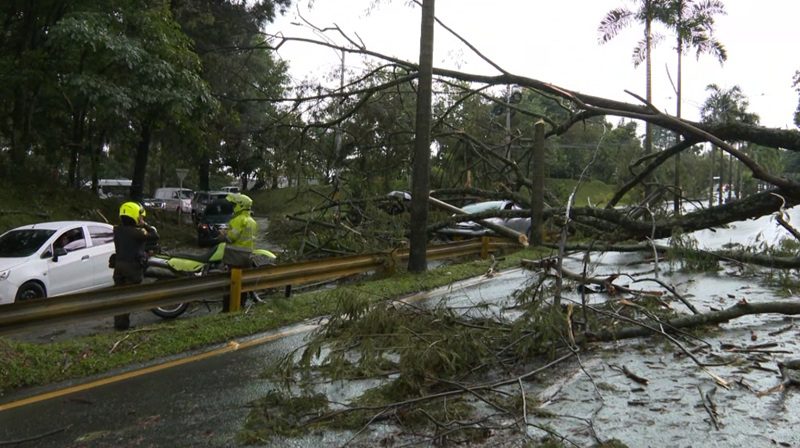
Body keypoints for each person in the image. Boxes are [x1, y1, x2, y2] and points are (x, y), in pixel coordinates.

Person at [112, 201, 159, 330]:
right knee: (130, 298)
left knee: (119, 298)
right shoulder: (136, 232)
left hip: (119, 267)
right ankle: (123, 327)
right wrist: (145, 225)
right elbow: (155, 235)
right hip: (132, 268)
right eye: (141, 216)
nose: (142, 219)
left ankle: (119, 326)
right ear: (135, 216)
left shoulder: (117, 230)